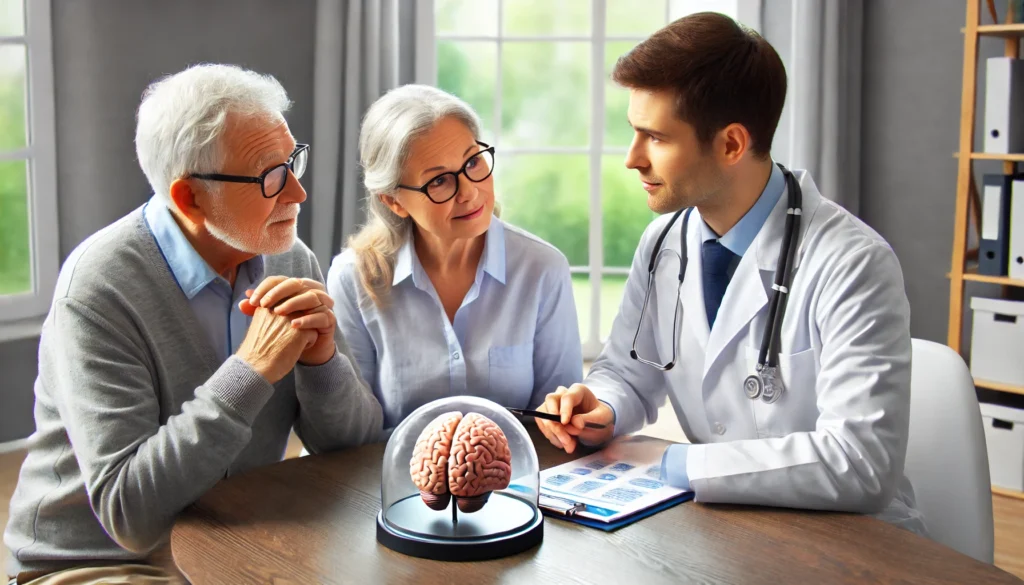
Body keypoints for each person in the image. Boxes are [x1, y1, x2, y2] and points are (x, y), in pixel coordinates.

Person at [533, 12, 926, 535]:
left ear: (732, 144)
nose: (632, 159)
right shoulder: (663, 244)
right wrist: (601, 406)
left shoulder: (852, 263)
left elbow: (861, 463)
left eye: (655, 137)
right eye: (634, 132)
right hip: (729, 529)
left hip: (851, 543)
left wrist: (680, 467)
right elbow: (627, 373)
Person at [4, 64, 382, 584]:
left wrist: (323, 363)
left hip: (238, 539)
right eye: (271, 175)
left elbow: (350, 450)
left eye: (293, 161)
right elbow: (131, 517)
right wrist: (249, 372)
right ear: (190, 198)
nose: (297, 193)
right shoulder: (98, 291)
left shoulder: (290, 259)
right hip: (101, 564)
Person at [327, 84, 582, 436]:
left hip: (515, 480)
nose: (469, 191)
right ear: (393, 201)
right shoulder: (352, 277)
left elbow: (556, 420)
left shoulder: (543, 269)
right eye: (440, 181)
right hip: (390, 482)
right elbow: (355, 431)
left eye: (473, 162)